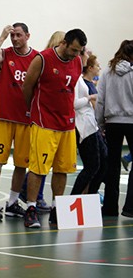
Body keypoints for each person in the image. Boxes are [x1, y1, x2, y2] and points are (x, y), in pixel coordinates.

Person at [22, 29, 87, 228]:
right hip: (44, 122)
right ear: (64, 43)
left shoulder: (77, 61)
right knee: (38, 168)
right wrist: (33, 111)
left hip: (67, 124)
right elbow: (27, 87)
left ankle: (56, 208)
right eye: (74, 50)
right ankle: (31, 208)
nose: (76, 54)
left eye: (79, 51)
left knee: (62, 168)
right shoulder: (42, 59)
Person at [0, 24, 39, 220]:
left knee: (22, 164)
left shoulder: (36, 58)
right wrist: (2, 37)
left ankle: (13, 202)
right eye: (12, 36)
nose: (15, 39)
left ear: (28, 36)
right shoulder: (6, 53)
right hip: (3, 117)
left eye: (18, 35)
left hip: (25, 119)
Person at [97, 40, 133, 217]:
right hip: (132, 121)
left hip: (112, 122)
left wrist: (100, 124)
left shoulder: (107, 72)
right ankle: (130, 207)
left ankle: (110, 208)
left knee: (112, 166)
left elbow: (100, 100)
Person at [71, 50, 107, 195]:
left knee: (102, 162)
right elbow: (74, 104)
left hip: (91, 125)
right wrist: (90, 98)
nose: (87, 55)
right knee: (92, 165)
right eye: (85, 53)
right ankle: (76, 197)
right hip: (84, 126)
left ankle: (90, 195)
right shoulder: (76, 78)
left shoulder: (80, 77)